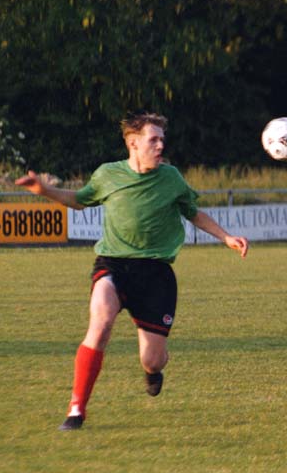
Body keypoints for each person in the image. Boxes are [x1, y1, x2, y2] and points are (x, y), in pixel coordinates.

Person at [15, 113, 249, 431]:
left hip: (155, 274)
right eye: (154, 139)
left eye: (162, 139)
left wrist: (226, 238)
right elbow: (80, 200)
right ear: (133, 143)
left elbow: (194, 213)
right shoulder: (108, 175)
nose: (160, 145)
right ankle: (76, 410)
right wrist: (45, 191)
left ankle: (153, 372)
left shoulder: (171, 178)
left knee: (152, 359)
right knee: (101, 321)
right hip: (112, 263)